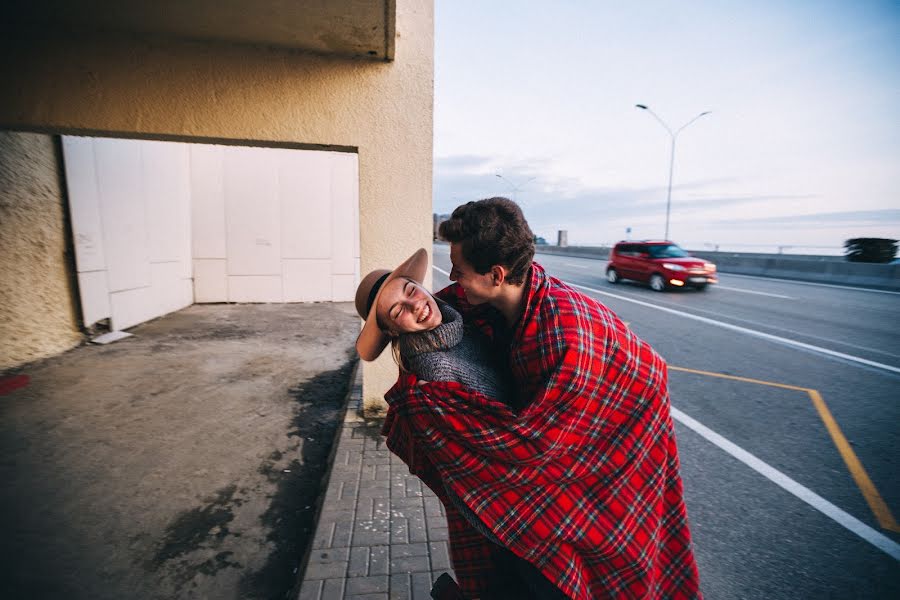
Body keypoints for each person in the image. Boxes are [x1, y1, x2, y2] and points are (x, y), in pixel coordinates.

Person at [375, 197, 702, 599]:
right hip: (560, 467)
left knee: (597, 565)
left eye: (459, 272)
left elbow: (540, 445)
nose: (453, 282)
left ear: (495, 275)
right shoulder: (491, 305)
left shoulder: (565, 334)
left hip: (619, 459)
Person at [354, 248, 565, 598]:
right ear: (392, 330)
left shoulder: (461, 321)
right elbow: (501, 448)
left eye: (410, 291)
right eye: (398, 312)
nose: (415, 305)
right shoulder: (435, 372)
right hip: (515, 510)